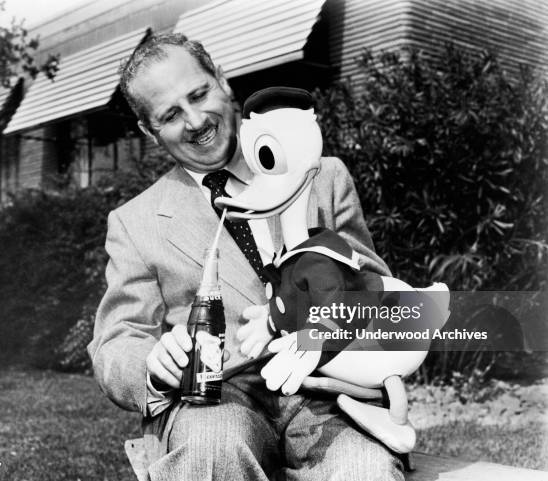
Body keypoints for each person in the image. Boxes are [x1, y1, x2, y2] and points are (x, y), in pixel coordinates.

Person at [88, 33, 404, 480]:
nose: (197, 120)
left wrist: (316, 325)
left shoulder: (320, 173)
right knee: (213, 452)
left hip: (328, 393)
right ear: (148, 130)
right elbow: (116, 340)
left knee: (365, 470)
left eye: (199, 94)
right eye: (171, 114)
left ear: (222, 80)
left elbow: (380, 292)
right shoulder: (135, 222)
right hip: (214, 402)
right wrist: (153, 363)